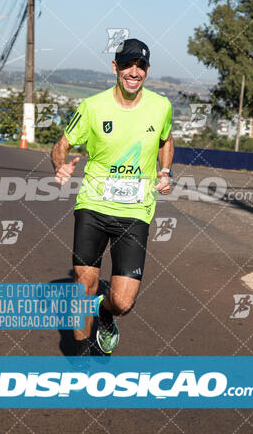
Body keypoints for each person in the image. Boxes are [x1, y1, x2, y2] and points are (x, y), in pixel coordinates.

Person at [51, 39, 174, 355]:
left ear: (146, 71)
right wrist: (60, 165)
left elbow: (165, 139)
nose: (134, 72)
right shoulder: (92, 106)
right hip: (93, 205)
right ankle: (80, 358)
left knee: (123, 301)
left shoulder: (161, 106)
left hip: (135, 212)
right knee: (84, 284)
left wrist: (166, 172)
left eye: (141, 66)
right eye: (128, 64)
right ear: (115, 67)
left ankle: (105, 314)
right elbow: (62, 144)